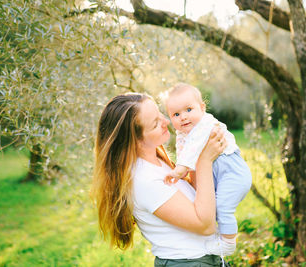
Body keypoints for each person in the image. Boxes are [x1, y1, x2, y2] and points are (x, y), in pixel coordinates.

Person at [92, 92, 232, 266]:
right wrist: (204, 160)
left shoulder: (158, 162)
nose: (166, 121)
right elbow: (205, 225)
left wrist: (194, 152)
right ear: (136, 140)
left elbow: (199, 199)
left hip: (204, 259)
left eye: (159, 114)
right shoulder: (144, 180)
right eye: (155, 123)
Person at [163, 83, 252, 256]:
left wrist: (180, 170)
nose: (183, 117)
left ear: (202, 108)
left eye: (189, 109)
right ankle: (220, 235)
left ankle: (228, 244)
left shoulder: (205, 124)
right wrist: (182, 168)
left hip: (233, 173)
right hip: (220, 175)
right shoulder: (183, 133)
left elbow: (193, 147)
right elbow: (183, 151)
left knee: (223, 207)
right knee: (212, 206)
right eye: (176, 114)